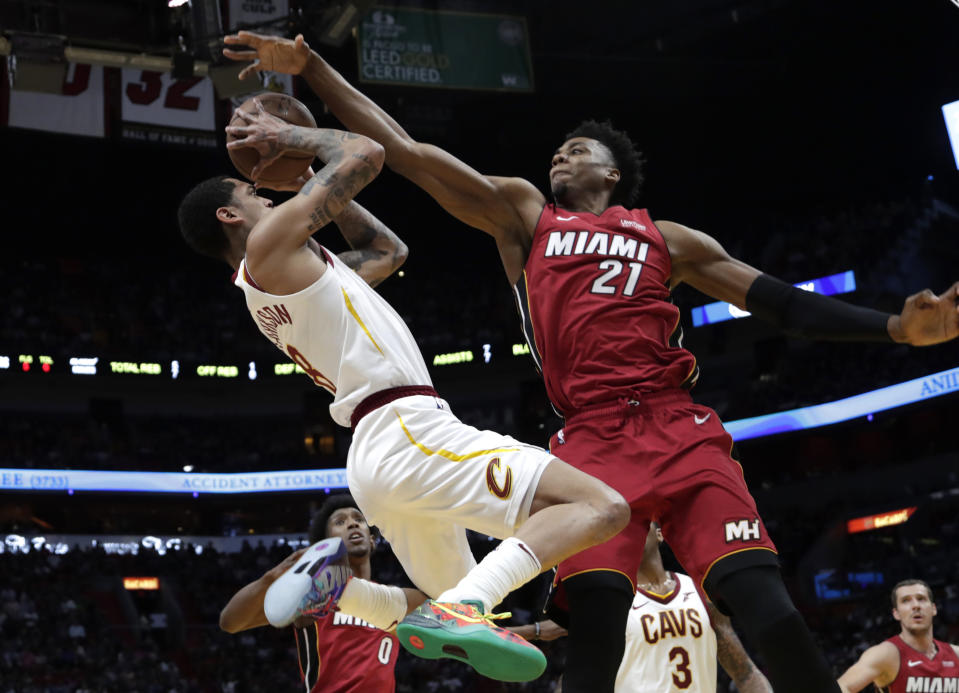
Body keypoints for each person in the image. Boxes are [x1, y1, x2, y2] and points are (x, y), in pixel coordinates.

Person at [220, 30, 959, 693]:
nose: (559, 154)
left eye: (577, 149)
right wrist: (313, 66)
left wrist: (895, 327)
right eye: (558, 149)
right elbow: (410, 156)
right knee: (596, 633)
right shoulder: (523, 215)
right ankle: (455, 604)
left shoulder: (669, 238)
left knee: (766, 605)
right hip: (591, 440)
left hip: (681, 430)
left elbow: (782, 303)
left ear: (612, 174)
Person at [177, 101, 629, 683]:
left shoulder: (292, 274)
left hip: (376, 460)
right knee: (600, 506)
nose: (266, 197)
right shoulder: (267, 251)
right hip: (407, 430)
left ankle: (344, 592)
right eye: (252, 193)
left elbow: (391, 251)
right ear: (228, 216)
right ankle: (458, 606)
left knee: (458, 615)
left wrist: (313, 180)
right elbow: (367, 153)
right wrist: (289, 135)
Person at [512, 523, 772, 693]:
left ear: (659, 533)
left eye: (638, 520)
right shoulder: (608, 603)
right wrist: (526, 631)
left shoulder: (700, 590)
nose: (627, 530)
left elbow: (745, 672)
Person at [219, 494, 422, 692]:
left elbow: (435, 611)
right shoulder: (310, 594)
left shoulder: (394, 598)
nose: (353, 524)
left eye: (359, 519)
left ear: (372, 540)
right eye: (340, 522)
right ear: (326, 543)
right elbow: (230, 621)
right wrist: (272, 577)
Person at [837, 579, 959, 693]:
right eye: (906, 601)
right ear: (896, 614)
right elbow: (843, 687)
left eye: (921, 599)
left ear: (933, 609)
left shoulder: (956, 654)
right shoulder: (886, 654)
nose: (915, 605)